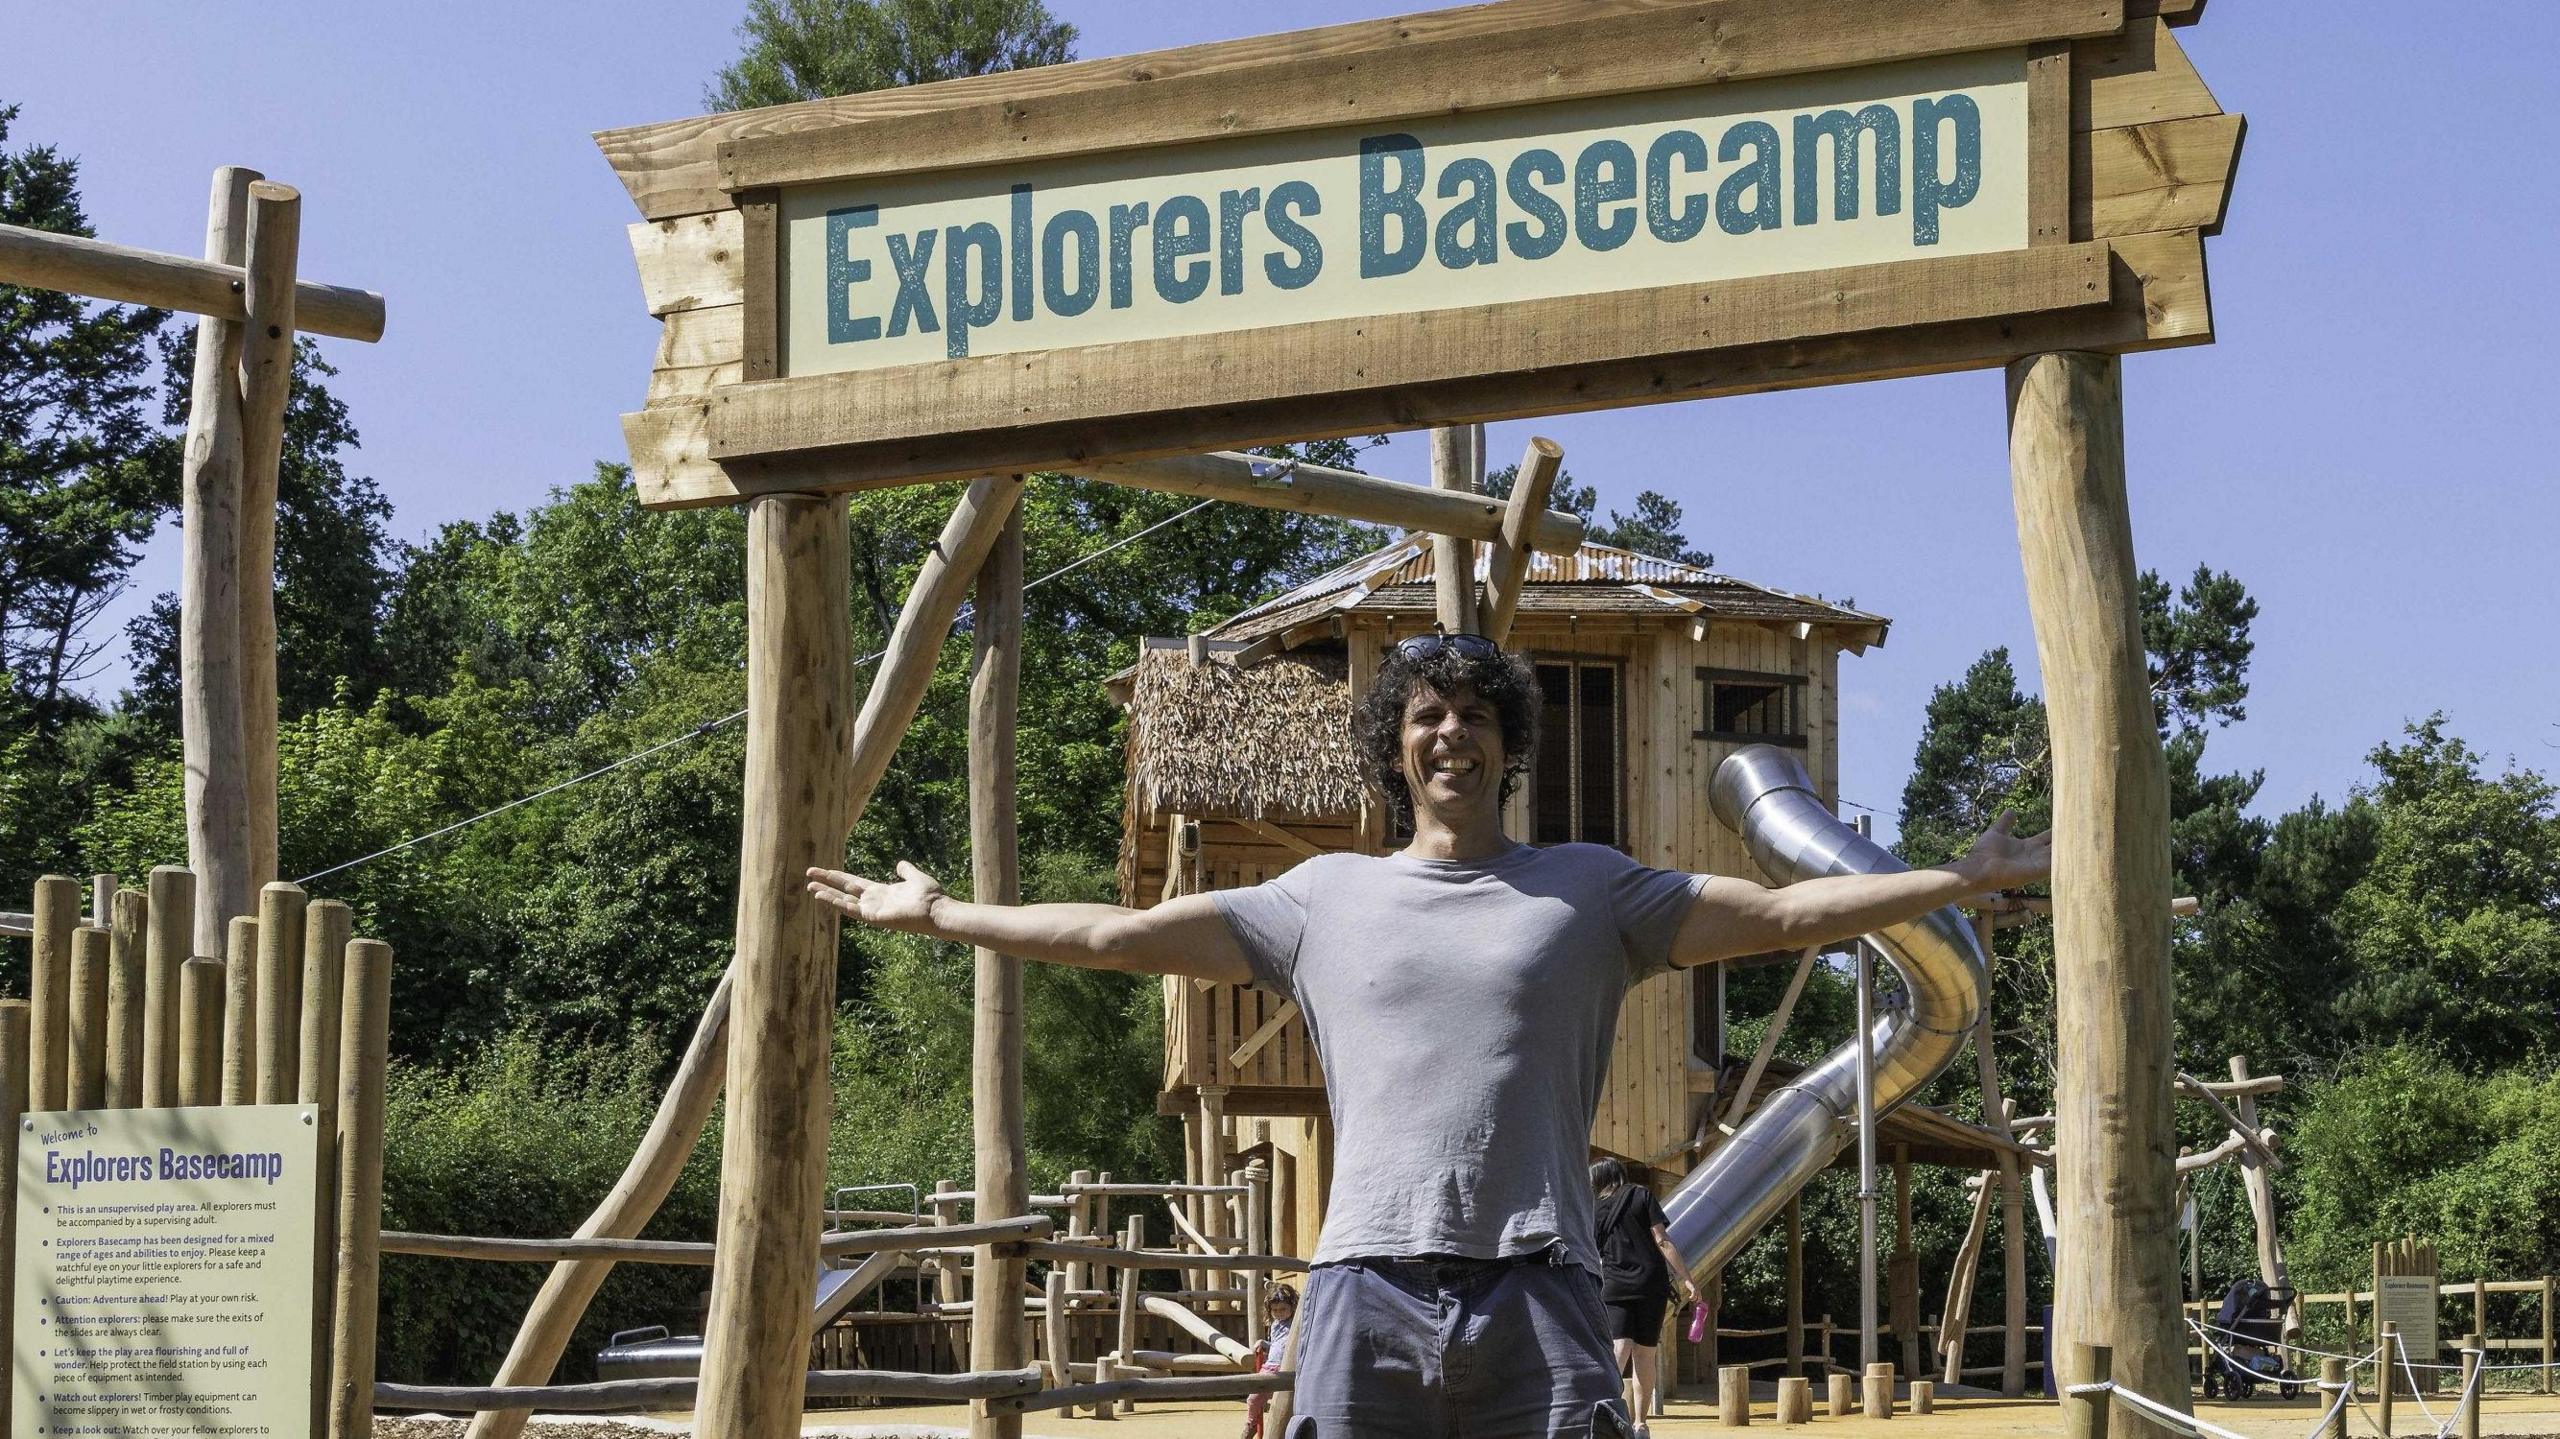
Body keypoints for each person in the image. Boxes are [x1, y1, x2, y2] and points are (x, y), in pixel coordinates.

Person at [808, 633, 2049, 1439]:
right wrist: (942, 914)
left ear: (1508, 742)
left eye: (1472, 713)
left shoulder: (1594, 887)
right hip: (1364, 1287)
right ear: (1394, 746)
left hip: (1542, 1288)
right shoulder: (1318, 900)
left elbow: (1783, 909)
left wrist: (1948, 875)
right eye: (1424, 714)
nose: (1449, 730)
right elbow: (1115, 935)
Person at [1590, 1158, 1698, 1436]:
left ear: (1597, 1180)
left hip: (1614, 1285)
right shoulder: (1641, 1195)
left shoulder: (1593, 1208)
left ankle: (1608, 1416)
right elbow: (1662, 1240)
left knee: (1617, 1349)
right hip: (1651, 1284)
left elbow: (1590, 1251)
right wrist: (1687, 1278)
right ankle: (1640, 1423)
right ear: (1620, 1175)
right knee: (1645, 1354)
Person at [1243, 1282, 1298, 1439]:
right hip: (1270, 1367)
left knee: (1284, 1406)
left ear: (1292, 1308)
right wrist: (1264, 1343)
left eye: (1283, 1309)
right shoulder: (1274, 1325)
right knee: (1253, 1399)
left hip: (1286, 1367)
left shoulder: (1296, 1325)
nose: (1279, 1313)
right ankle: (1251, 1425)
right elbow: (1276, 1345)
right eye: (1275, 1310)